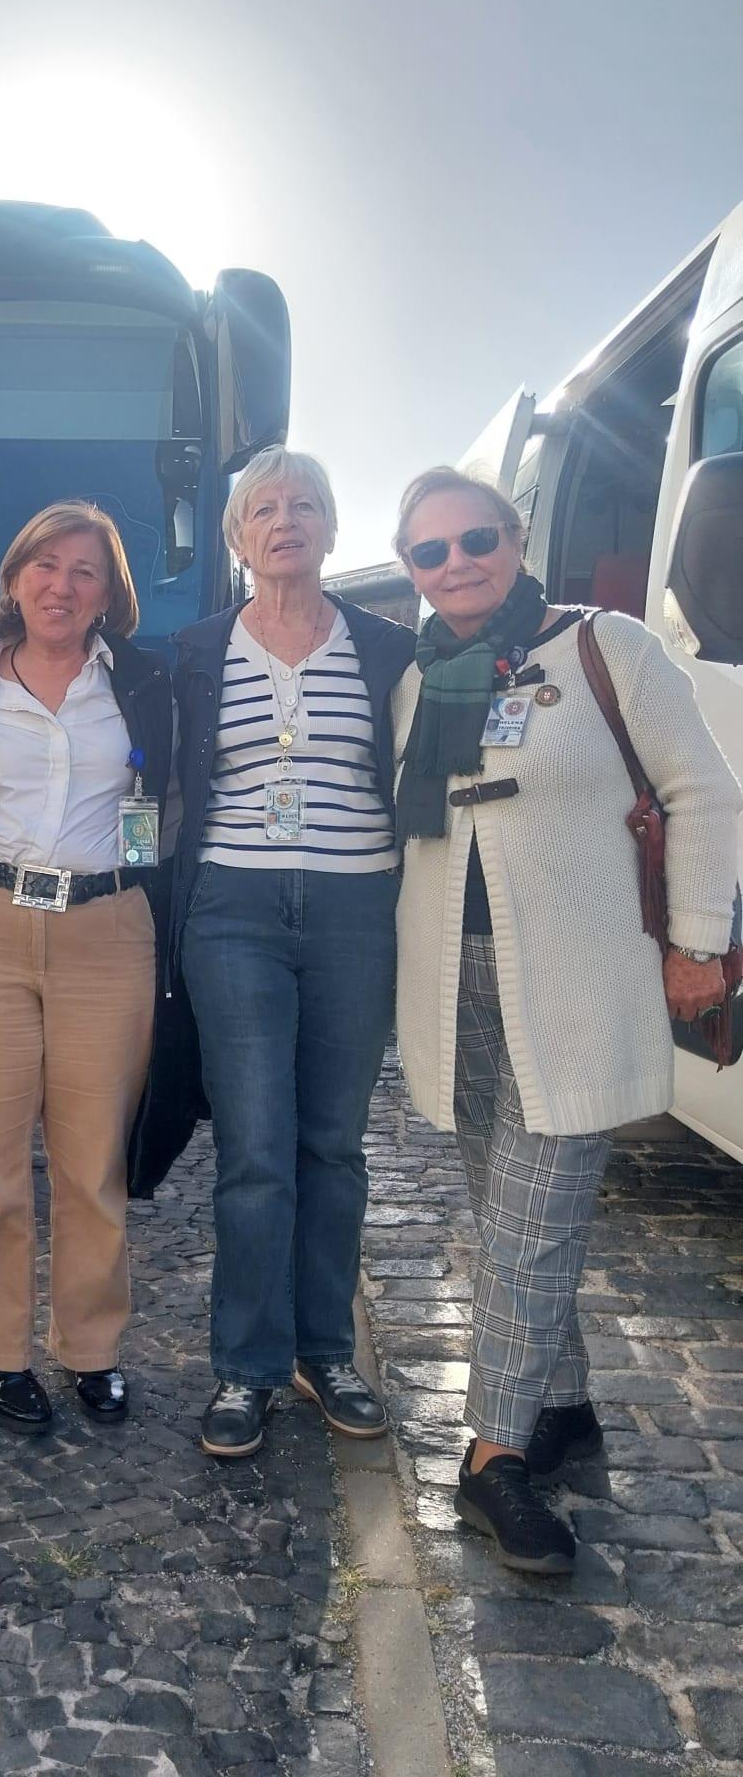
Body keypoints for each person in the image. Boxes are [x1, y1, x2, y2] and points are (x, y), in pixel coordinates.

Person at [391, 466, 741, 1574]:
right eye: (430, 552)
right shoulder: (416, 678)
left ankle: (493, 1458)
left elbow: (706, 792)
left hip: (578, 984)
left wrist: (694, 941)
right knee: (506, 1213)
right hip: (458, 982)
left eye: (475, 538)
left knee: (528, 1232)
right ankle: (566, 1407)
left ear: (518, 533)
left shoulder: (608, 646)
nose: (457, 564)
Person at [170, 447, 415, 1460]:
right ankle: (247, 1364)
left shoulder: (390, 648)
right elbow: (160, 789)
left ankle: (327, 1350)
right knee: (258, 1146)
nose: (286, 520)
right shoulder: (193, 652)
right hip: (233, 911)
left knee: (334, 1145)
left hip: (359, 906)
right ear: (237, 537)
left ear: (329, 528)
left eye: (305, 504)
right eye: (264, 508)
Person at [0, 502, 172, 1433]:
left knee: (90, 1160)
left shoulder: (147, 684)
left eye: (85, 572)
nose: (61, 586)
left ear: (109, 596)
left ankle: (92, 1349)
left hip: (106, 928)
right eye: (46, 565)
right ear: (15, 575)